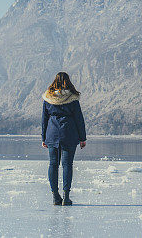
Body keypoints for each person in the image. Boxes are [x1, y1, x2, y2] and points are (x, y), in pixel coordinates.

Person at [42, 72, 87, 206]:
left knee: (53, 164)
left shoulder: (48, 98)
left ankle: (56, 196)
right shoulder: (72, 98)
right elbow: (79, 119)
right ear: (68, 82)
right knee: (67, 165)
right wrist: (82, 138)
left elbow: (44, 119)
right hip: (69, 134)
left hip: (52, 134)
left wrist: (44, 137)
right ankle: (66, 197)